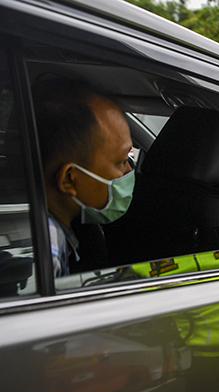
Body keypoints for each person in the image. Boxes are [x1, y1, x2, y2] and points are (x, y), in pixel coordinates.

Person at [34, 78, 134, 277]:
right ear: (69, 179)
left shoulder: (45, 229)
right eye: (121, 161)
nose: (129, 171)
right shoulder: (46, 249)